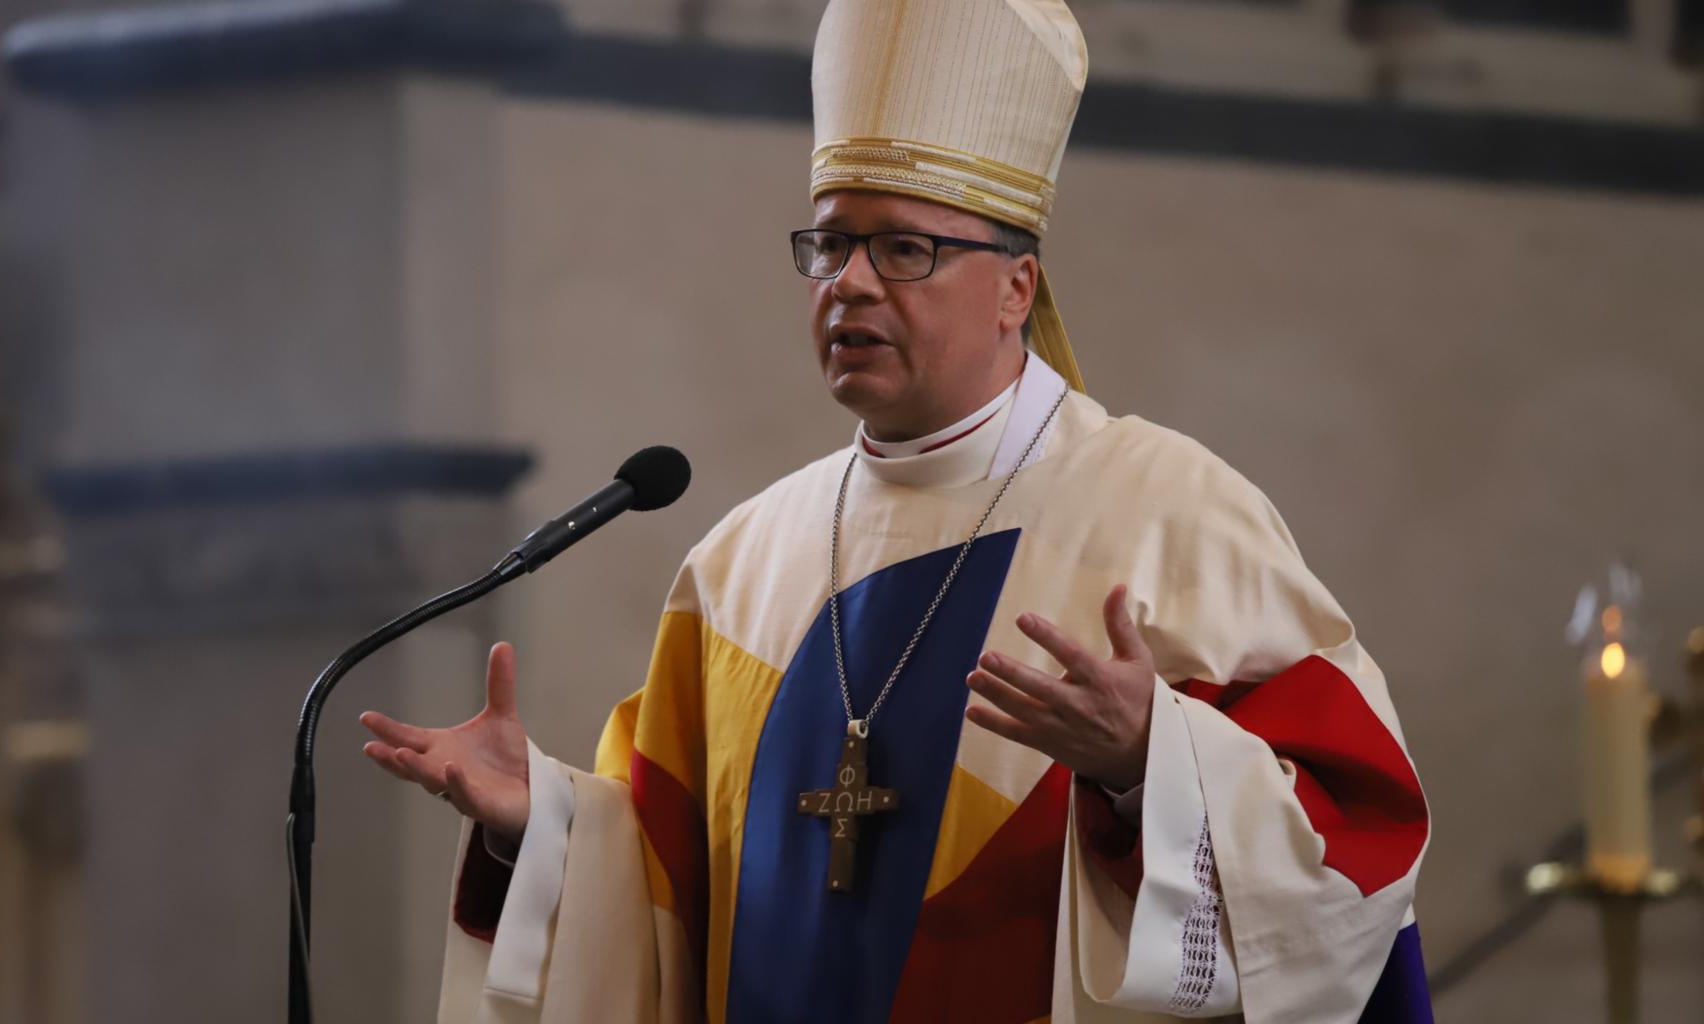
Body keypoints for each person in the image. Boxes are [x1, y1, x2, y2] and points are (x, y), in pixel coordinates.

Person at [360, 0, 1432, 1020]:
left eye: (904, 247)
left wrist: (1151, 760)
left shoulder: (1171, 515)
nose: (850, 283)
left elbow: (1356, 849)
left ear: (1016, 286)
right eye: (827, 244)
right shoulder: (741, 563)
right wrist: (538, 826)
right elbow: (667, 886)